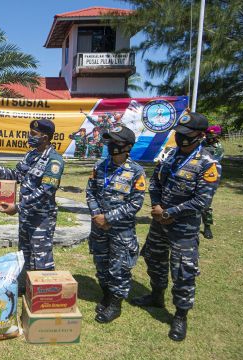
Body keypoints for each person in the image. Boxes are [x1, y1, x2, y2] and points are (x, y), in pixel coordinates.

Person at [132, 112, 222, 341]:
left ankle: (180, 316)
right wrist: (158, 206)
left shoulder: (208, 163)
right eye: (179, 134)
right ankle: (156, 295)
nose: (181, 139)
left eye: (187, 135)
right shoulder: (171, 155)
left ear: (200, 136)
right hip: (159, 222)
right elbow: (155, 182)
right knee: (154, 259)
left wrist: (170, 213)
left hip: (183, 228)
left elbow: (202, 201)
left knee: (183, 271)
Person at [0, 119, 65, 273]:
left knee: (41, 257)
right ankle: (26, 287)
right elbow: (17, 175)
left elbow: (46, 191)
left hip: (41, 218)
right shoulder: (30, 155)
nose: (29, 136)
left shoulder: (54, 160)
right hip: (26, 215)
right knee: (25, 254)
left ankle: (42, 292)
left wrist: (18, 207)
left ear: (45, 137)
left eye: (33, 134)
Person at [86, 125, 146, 323]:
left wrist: (108, 218)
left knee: (119, 267)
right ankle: (106, 295)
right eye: (109, 141)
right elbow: (90, 192)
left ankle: (115, 304)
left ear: (128, 146)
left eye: (116, 142)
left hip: (121, 230)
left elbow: (135, 203)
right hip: (99, 227)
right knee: (101, 263)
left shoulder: (136, 171)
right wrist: (97, 215)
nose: (111, 145)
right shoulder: (100, 167)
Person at [201, 125, 224, 239]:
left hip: (210, 176)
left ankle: (207, 226)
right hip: (197, 174)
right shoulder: (200, 144)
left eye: (213, 136)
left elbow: (213, 161)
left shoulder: (218, 147)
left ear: (217, 136)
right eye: (208, 135)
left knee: (206, 203)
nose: (210, 138)